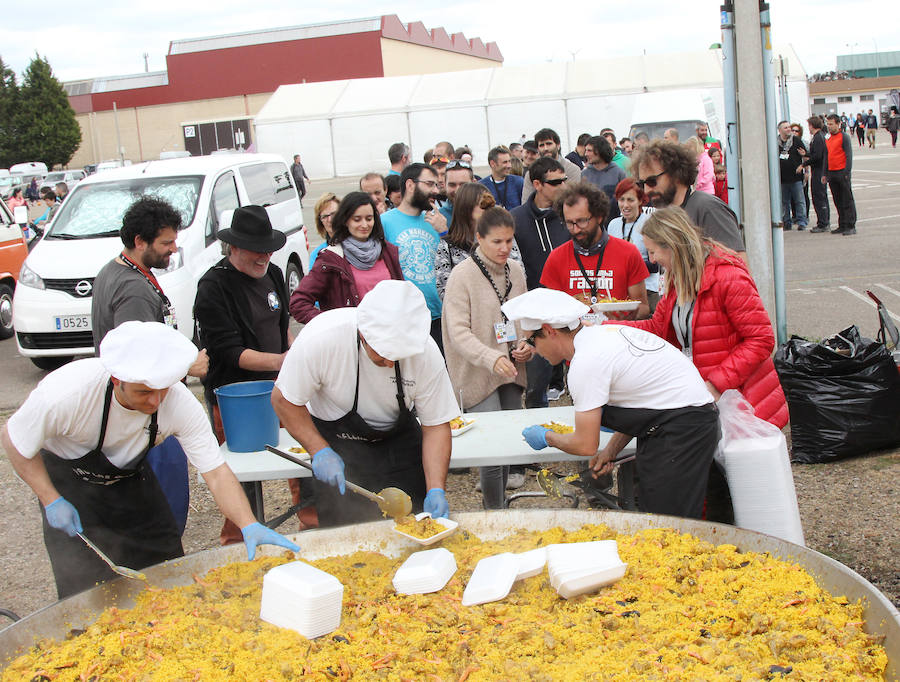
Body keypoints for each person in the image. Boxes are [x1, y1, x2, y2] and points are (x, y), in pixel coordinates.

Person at [1, 321, 299, 599]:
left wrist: (248, 524)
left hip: (132, 485)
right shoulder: (67, 393)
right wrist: (50, 499)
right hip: (70, 490)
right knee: (86, 592)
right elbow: (14, 442)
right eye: (144, 392)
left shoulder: (178, 402)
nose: (155, 402)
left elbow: (216, 472)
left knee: (169, 577)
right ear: (117, 379)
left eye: (162, 390)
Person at [615, 206, 789, 521]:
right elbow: (659, 330)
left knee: (740, 495)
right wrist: (609, 329)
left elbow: (762, 339)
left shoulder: (727, 275)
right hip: (706, 401)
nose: (652, 260)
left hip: (743, 402)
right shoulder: (677, 278)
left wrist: (716, 383)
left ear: (672, 245)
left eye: (654, 251)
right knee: (708, 484)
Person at [505, 289, 720, 520]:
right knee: (654, 509)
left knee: (669, 522)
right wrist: (610, 451)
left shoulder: (586, 361)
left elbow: (585, 445)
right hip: (676, 421)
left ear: (549, 331)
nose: (533, 351)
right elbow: (640, 400)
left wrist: (547, 437)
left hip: (683, 428)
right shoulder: (600, 336)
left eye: (531, 341)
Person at [272, 280, 460, 527]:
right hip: (337, 444)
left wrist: (436, 488)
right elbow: (283, 400)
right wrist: (319, 449)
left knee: (412, 528)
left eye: (399, 356)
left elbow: (435, 425)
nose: (391, 363)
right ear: (363, 335)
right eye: (383, 355)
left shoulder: (426, 352)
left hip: (399, 444)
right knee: (342, 532)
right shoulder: (322, 338)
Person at [194, 205, 313, 540]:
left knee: (301, 456)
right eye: (256, 253)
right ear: (234, 248)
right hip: (237, 399)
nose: (264, 258)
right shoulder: (213, 288)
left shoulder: (273, 274)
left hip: (281, 388)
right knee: (238, 475)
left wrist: (292, 352)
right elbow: (230, 353)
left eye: (268, 251)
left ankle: (312, 525)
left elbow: (280, 328)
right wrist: (282, 362)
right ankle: (238, 537)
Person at [91, 196, 208, 534]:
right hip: (147, 417)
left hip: (134, 413)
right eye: (166, 242)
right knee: (162, 513)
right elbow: (139, 365)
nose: (173, 249)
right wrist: (190, 366)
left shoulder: (113, 269)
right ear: (139, 241)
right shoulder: (133, 290)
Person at [442, 208, 532, 508]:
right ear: (479, 238)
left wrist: (525, 344)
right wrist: (490, 358)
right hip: (476, 372)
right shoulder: (462, 275)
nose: (504, 248)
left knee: (507, 442)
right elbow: (457, 333)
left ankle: (500, 504)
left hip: (511, 368)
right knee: (492, 448)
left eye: (508, 241)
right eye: (496, 241)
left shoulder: (515, 270)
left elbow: (522, 318)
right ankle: (494, 511)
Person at [510, 157, 570, 410]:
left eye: (564, 180)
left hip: (569, 308)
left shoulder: (568, 214)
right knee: (535, 386)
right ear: (537, 184)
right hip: (534, 313)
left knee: (580, 379)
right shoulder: (516, 218)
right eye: (555, 182)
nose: (563, 186)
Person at [541, 181, 650, 321]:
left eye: (582, 221)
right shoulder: (556, 257)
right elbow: (550, 310)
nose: (575, 229)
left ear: (599, 217)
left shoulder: (628, 253)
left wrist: (627, 317)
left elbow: (643, 308)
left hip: (615, 337)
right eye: (569, 223)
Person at [290, 192, 403, 324]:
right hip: (352, 341)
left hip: (390, 336)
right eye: (357, 219)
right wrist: (333, 325)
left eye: (369, 218)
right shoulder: (330, 258)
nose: (364, 224)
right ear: (345, 220)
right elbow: (298, 303)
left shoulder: (389, 252)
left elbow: (401, 297)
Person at [634, 141, 745, 254]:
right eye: (641, 184)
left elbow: (737, 263)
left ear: (676, 174)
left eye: (652, 181)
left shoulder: (708, 208)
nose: (646, 190)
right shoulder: (667, 214)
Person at [381, 163, 447, 351]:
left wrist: (445, 233)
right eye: (429, 184)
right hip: (405, 319)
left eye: (436, 185)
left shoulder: (437, 220)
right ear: (410, 185)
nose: (435, 191)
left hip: (439, 317)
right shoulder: (384, 222)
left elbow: (453, 263)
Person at [606, 178, 660, 312]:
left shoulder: (649, 224)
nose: (625, 205)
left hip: (647, 291)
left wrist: (626, 266)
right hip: (619, 293)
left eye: (630, 200)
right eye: (621, 200)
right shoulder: (613, 225)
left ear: (641, 201)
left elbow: (655, 265)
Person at [434, 182, 495, 300]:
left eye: (490, 204)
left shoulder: (501, 239)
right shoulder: (447, 246)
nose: (488, 209)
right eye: (483, 204)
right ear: (466, 207)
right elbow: (443, 289)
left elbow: (516, 271)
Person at [521, 128, 582, 203]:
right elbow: (526, 202)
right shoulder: (531, 173)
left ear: (558, 145)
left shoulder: (572, 169)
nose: (545, 148)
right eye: (541, 145)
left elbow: (572, 200)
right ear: (538, 149)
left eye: (549, 144)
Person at [825, 114, 858, 235]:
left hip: (842, 172)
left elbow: (848, 155)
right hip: (832, 172)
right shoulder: (828, 138)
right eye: (827, 124)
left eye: (831, 124)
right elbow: (826, 156)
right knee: (837, 200)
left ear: (838, 124)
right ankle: (842, 224)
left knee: (847, 200)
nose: (829, 126)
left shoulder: (844, 137)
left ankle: (850, 225)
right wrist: (825, 173)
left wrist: (847, 172)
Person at [580, 136, 626, 221]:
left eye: (589, 150)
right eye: (585, 150)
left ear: (600, 151)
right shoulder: (584, 175)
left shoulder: (618, 173)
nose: (586, 154)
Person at [776, 120, 808, 231]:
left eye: (789, 127)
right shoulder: (775, 142)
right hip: (782, 178)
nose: (789, 129)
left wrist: (805, 169)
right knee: (784, 202)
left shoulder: (796, 141)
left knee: (799, 200)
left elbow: (806, 156)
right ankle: (786, 222)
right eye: (786, 128)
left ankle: (802, 221)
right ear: (779, 130)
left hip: (796, 177)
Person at [805, 116, 830, 233]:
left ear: (812, 125)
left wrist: (805, 163)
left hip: (819, 171)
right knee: (818, 196)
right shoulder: (817, 137)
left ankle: (823, 222)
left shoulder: (819, 137)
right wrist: (806, 154)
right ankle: (822, 221)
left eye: (809, 125)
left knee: (820, 196)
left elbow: (818, 156)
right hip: (817, 170)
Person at [479, 146, 524, 210]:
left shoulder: (518, 182)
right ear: (492, 164)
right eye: (505, 162)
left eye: (509, 161)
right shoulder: (482, 186)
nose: (509, 166)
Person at [309, 192, 340, 266]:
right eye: (325, 216)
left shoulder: (357, 244)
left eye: (334, 214)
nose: (330, 220)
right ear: (320, 222)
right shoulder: (317, 255)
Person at [439, 160, 475, 224]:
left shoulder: (489, 214)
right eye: (452, 185)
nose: (457, 190)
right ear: (445, 185)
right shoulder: (437, 218)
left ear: (474, 183)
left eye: (463, 185)